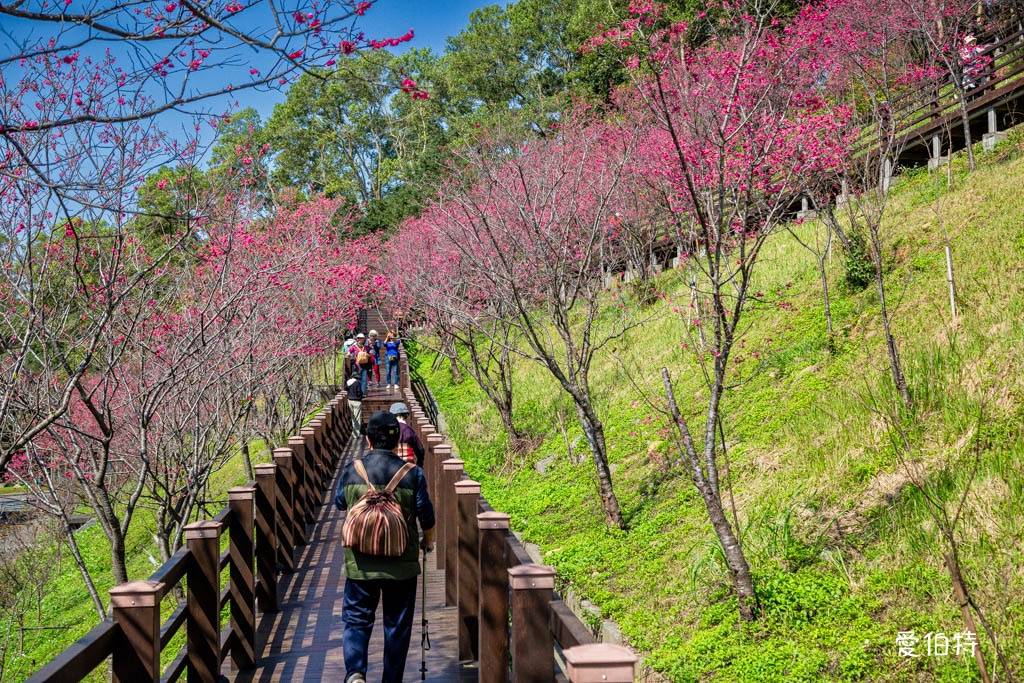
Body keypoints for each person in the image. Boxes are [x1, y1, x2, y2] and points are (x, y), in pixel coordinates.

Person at [335, 411, 435, 683]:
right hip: (401, 566)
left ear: (368, 440)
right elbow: (426, 515)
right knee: (397, 627)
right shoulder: (412, 474)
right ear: (396, 442)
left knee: (356, 620)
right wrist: (429, 540)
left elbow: (340, 503)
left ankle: (355, 672)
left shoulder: (352, 470)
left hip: (360, 565)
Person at [389, 402, 424, 466]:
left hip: (391, 466)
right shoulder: (409, 431)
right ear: (406, 415)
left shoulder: (389, 430)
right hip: (408, 467)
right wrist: (419, 463)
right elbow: (420, 449)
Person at [346, 370, 364, 436]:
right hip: (356, 401)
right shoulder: (357, 383)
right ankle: (356, 434)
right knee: (357, 418)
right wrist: (361, 396)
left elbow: (346, 389)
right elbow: (359, 392)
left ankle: (354, 432)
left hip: (349, 401)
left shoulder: (348, 382)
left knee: (353, 417)